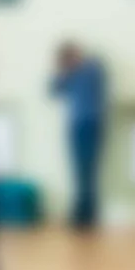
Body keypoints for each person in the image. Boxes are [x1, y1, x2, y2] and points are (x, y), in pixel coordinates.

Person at [51, 42, 107, 230]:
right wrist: (63, 71)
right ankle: (79, 214)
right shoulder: (69, 73)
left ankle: (89, 216)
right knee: (77, 171)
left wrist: (75, 64)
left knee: (89, 170)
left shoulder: (92, 67)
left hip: (93, 124)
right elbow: (53, 90)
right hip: (75, 126)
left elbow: (97, 74)